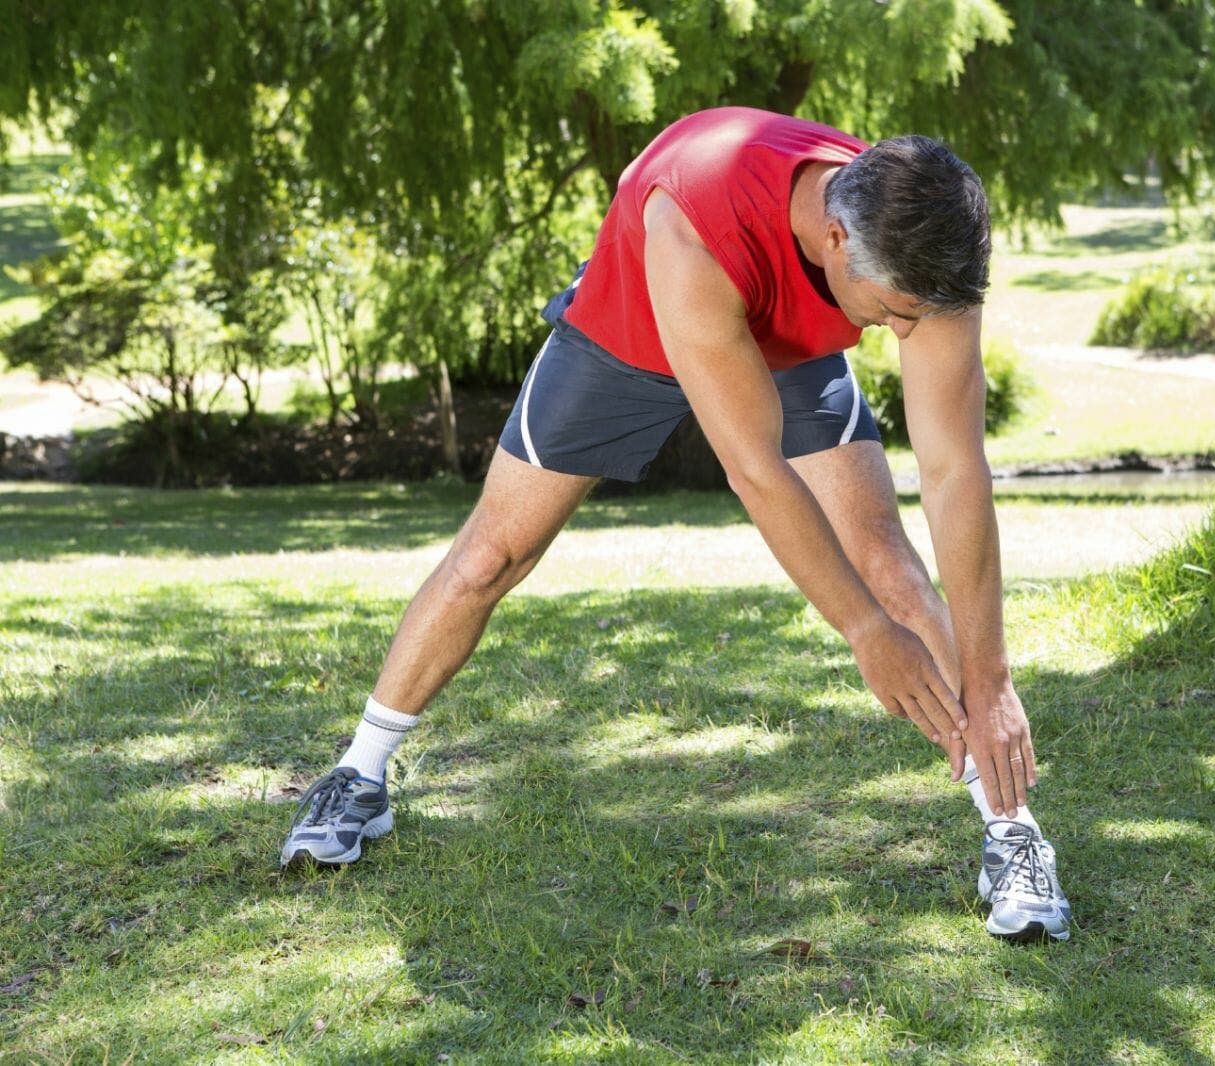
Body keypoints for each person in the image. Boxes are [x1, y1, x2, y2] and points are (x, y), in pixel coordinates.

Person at [279, 106, 1071, 943]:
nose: (907, 333)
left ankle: (1012, 832)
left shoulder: (925, 237)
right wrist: (864, 631)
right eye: (895, 312)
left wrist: (990, 679)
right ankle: (357, 775)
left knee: (889, 563)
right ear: (835, 239)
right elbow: (755, 470)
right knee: (492, 555)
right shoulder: (696, 216)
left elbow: (954, 472)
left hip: (784, 348)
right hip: (630, 335)